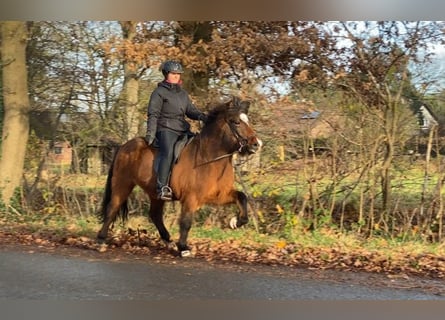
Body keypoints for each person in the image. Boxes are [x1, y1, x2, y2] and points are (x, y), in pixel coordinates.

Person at [145, 60, 207, 201]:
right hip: (165, 128)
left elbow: (190, 110)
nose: (176, 76)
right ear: (166, 74)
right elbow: (153, 114)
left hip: (182, 128)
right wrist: (150, 133)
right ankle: (162, 187)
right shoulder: (159, 92)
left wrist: (202, 116)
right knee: (168, 152)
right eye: (173, 74)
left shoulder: (183, 94)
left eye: (178, 74)